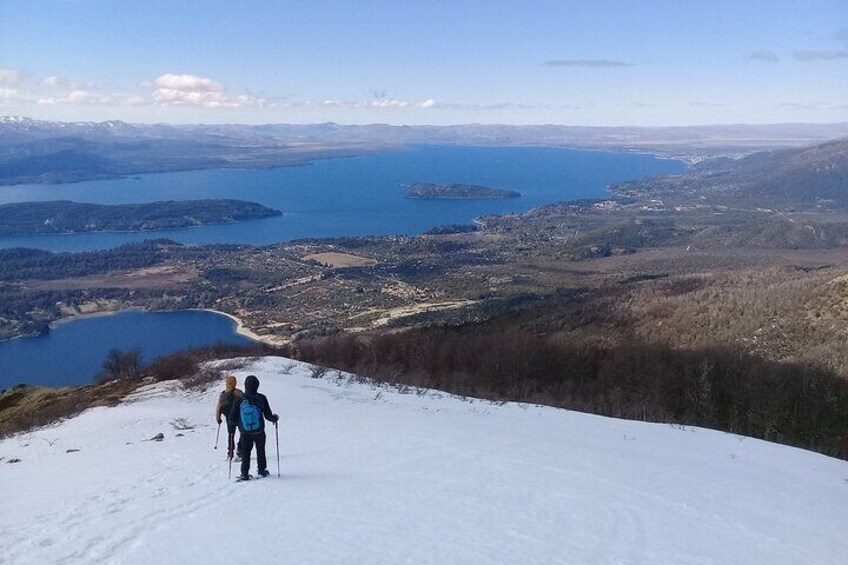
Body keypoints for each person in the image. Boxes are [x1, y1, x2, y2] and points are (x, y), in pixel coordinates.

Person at [230, 374, 278, 480]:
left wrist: (237, 424)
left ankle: (244, 473)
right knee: (260, 450)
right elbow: (268, 415)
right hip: (259, 430)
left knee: (246, 452)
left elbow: (232, 418)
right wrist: (274, 419)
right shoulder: (261, 398)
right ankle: (261, 470)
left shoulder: (239, 399)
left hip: (245, 432)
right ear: (257, 385)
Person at [215, 375, 243, 460]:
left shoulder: (223, 394)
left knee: (231, 435)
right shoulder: (238, 392)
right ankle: (240, 450)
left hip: (229, 417)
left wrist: (218, 418)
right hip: (239, 416)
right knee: (243, 433)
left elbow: (219, 407)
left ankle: (230, 453)